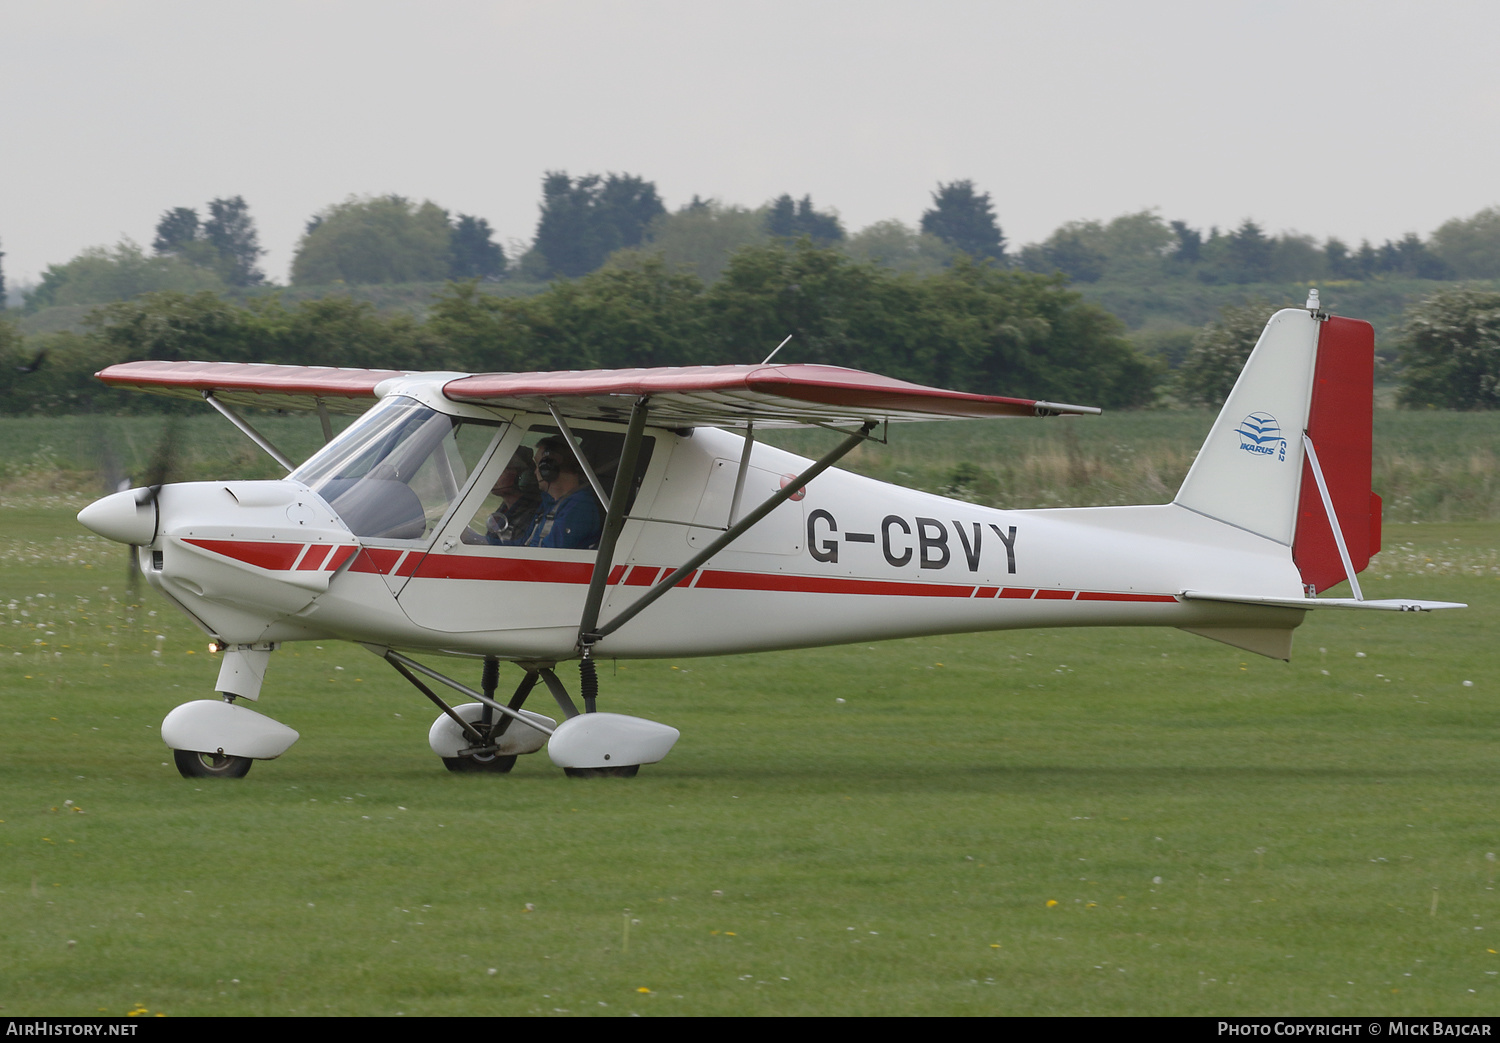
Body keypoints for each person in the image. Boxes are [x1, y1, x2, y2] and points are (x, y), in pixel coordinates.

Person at [522, 436, 604, 549]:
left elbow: (552, 555)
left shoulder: (580, 506)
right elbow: (525, 542)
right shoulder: (550, 502)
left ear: (549, 468)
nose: (535, 472)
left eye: (539, 466)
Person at [460, 446, 542, 545]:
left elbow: (516, 550)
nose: (492, 476)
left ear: (521, 477)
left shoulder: (532, 513)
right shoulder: (505, 509)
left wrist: (472, 538)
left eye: (500, 470)